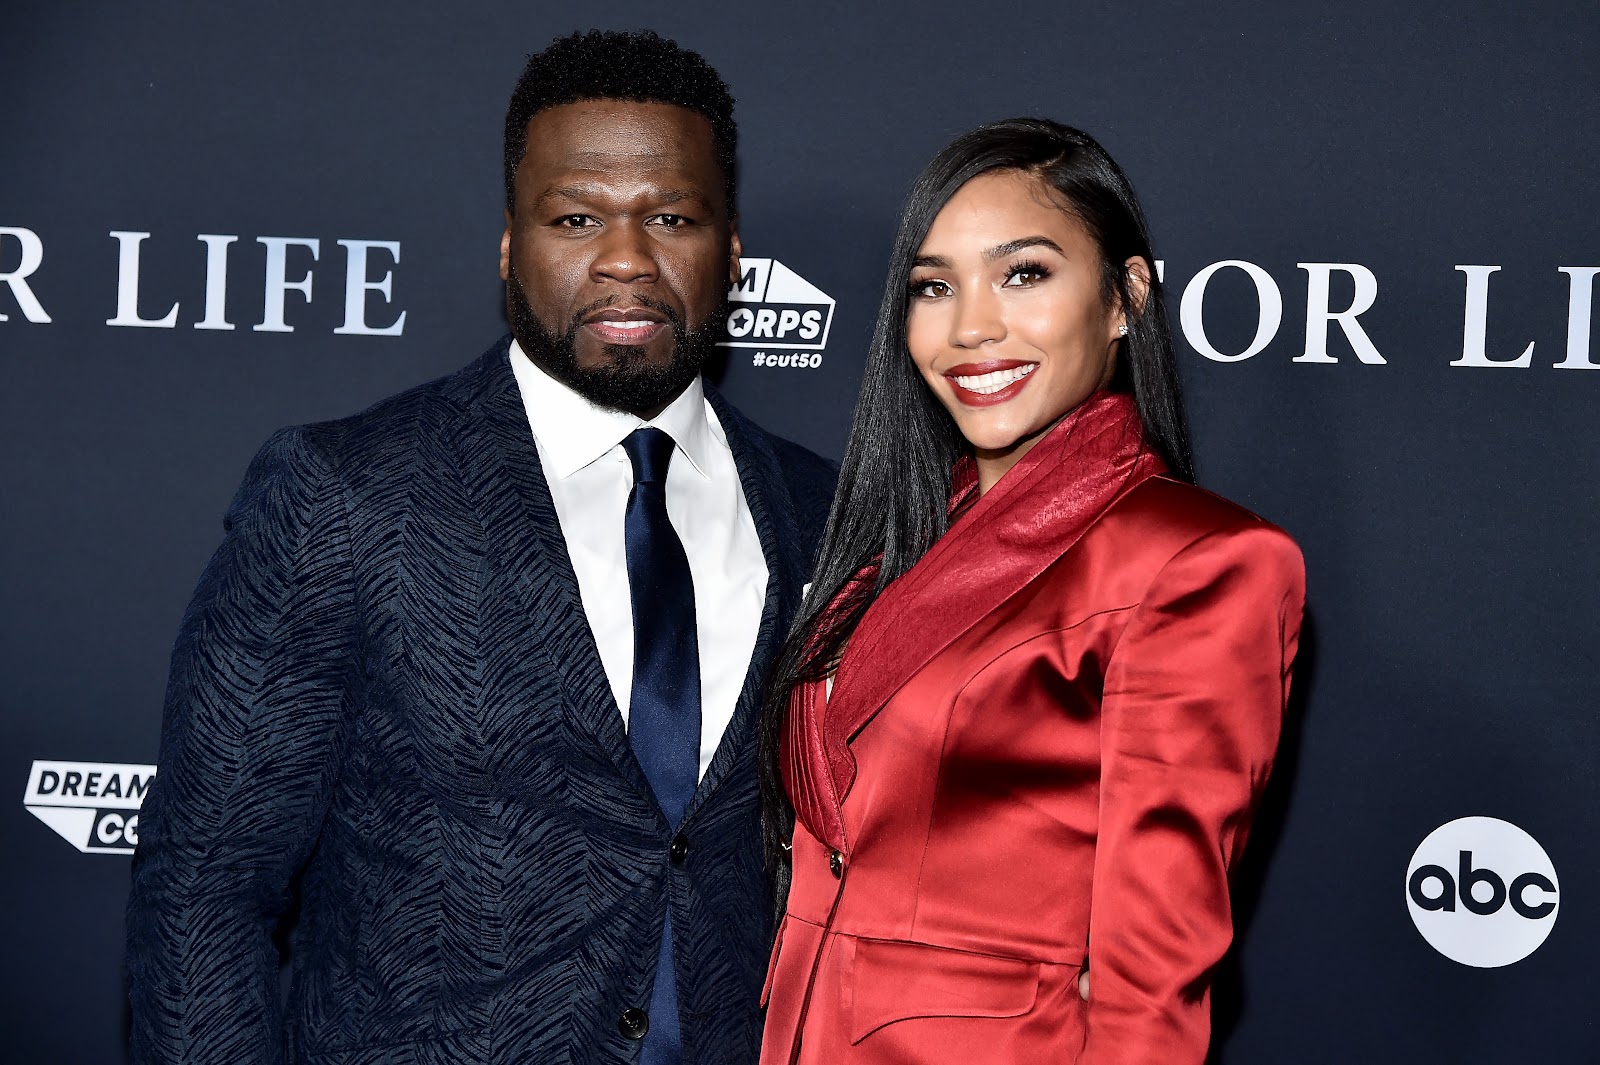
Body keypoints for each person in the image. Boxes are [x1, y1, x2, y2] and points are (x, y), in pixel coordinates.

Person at [125, 30, 835, 1065]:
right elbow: (206, 889)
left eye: (671, 218)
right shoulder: (345, 492)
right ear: (512, 244)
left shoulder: (818, 505)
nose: (627, 258)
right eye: (577, 216)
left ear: (730, 253)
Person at [756, 118, 1305, 1065]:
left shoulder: (1201, 562)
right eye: (935, 286)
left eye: (1024, 274)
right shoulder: (896, 543)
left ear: (1127, 296)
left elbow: (1149, 992)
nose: (973, 325)